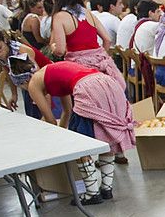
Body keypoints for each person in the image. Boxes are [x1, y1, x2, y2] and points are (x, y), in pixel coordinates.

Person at [27, 61, 135, 205]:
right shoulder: (52, 71)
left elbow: (51, 121)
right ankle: (106, 189)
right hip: (108, 83)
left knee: (79, 144)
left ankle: (92, 193)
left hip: (88, 88)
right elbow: (67, 111)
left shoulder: (32, 83)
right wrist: (63, 132)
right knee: (108, 134)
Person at [48, 0, 126, 89]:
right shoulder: (87, 12)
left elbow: (60, 51)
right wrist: (101, 56)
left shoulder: (59, 17)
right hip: (102, 63)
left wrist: (53, 46)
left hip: (79, 68)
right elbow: (107, 39)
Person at [0, 24, 50, 118]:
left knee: (44, 117)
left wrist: (45, 106)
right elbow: (7, 70)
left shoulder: (21, 52)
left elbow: (37, 80)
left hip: (46, 81)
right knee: (32, 117)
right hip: (27, 84)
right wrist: (14, 94)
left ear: (5, 40)